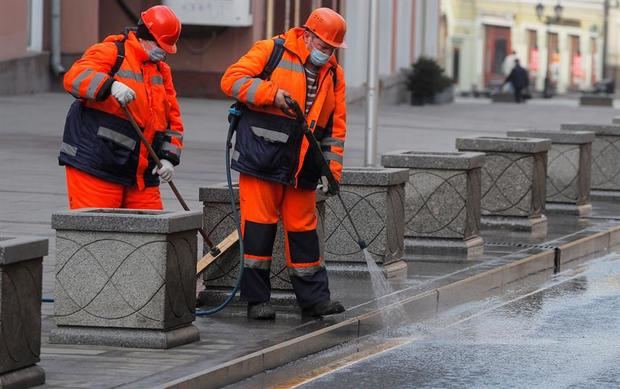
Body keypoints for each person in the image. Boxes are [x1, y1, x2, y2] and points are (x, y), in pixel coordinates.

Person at [220, 8, 347, 320]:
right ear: (307, 34)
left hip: (303, 165)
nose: (327, 53)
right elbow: (231, 81)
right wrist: (271, 94)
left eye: (332, 49)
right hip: (262, 156)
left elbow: (335, 129)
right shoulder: (271, 51)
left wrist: (332, 171)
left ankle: (314, 300)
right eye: (323, 46)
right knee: (259, 228)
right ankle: (257, 301)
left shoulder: (333, 74)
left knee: (304, 231)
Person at [59, 5, 184, 210]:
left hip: (141, 175)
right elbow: (74, 78)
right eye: (160, 45)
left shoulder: (162, 71)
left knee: (154, 237)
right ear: (144, 36)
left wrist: (168, 158)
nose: (163, 52)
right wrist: (109, 85)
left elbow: (173, 119)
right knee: (97, 235)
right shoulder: (111, 52)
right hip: (98, 166)